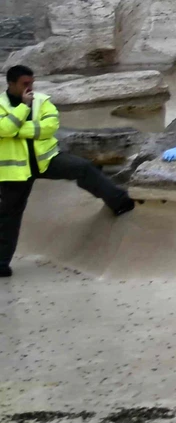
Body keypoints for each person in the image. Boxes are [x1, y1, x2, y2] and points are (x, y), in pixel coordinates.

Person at [0, 64, 135, 276]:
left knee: (82, 168)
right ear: (11, 84)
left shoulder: (42, 101)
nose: (30, 88)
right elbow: (3, 129)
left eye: (32, 83)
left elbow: (49, 127)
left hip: (47, 160)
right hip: (16, 170)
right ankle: (1, 264)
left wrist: (17, 131)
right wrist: (22, 109)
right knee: (9, 216)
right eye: (25, 84)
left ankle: (119, 201)